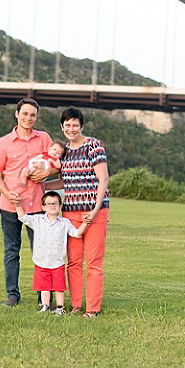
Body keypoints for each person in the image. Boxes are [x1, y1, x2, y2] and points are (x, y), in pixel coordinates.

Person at [0, 98, 54, 307]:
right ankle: (12, 295)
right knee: (11, 251)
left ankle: (44, 299)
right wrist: (7, 193)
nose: (28, 118)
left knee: (42, 253)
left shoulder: (44, 139)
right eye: (25, 113)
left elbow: (56, 163)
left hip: (38, 208)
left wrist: (47, 173)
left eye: (32, 115)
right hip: (10, 207)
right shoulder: (3, 143)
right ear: (17, 114)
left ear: (36, 117)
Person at [57, 106, 109, 318]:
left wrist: (95, 210)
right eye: (67, 125)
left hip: (94, 212)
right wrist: (39, 185)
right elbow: (64, 182)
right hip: (70, 213)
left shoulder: (93, 146)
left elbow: (103, 179)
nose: (71, 128)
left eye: (75, 125)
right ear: (62, 127)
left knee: (93, 262)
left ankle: (92, 309)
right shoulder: (64, 151)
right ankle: (76, 305)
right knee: (73, 262)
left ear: (81, 126)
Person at [10, 190, 87, 315]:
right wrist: (17, 205)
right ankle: (45, 306)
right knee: (43, 286)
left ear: (60, 206)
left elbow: (76, 233)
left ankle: (60, 308)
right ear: (43, 207)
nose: (52, 206)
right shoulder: (38, 220)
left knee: (59, 287)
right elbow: (23, 218)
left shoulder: (64, 223)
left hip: (57, 262)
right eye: (49, 204)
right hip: (41, 261)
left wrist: (85, 223)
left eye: (55, 203)